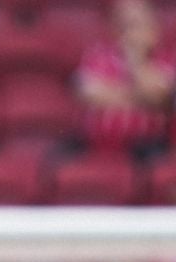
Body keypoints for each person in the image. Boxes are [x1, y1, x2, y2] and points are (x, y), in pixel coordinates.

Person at [75, 0, 175, 157]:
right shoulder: (99, 54)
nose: (130, 32)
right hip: (95, 145)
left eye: (137, 24)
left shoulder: (167, 58)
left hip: (148, 146)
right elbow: (88, 93)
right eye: (124, 24)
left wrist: (135, 58)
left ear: (155, 27)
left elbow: (160, 97)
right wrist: (142, 98)